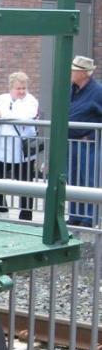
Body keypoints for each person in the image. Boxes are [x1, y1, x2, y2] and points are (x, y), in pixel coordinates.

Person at [0, 71, 39, 220]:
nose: (22, 91)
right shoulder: (0, 99)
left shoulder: (31, 101)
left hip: (23, 151)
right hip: (1, 149)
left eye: (24, 88)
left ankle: (26, 216)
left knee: (26, 184)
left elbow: (25, 116)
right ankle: (2, 210)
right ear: (10, 87)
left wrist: (1, 114)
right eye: (18, 88)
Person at [68, 55, 102, 227]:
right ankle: (75, 215)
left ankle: (90, 217)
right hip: (72, 142)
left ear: (84, 73)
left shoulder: (97, 91)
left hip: (88, 143)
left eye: (74, 70)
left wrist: (94, 135)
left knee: (88, 179)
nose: (71, 73)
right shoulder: (72, 89)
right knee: (73, 179)